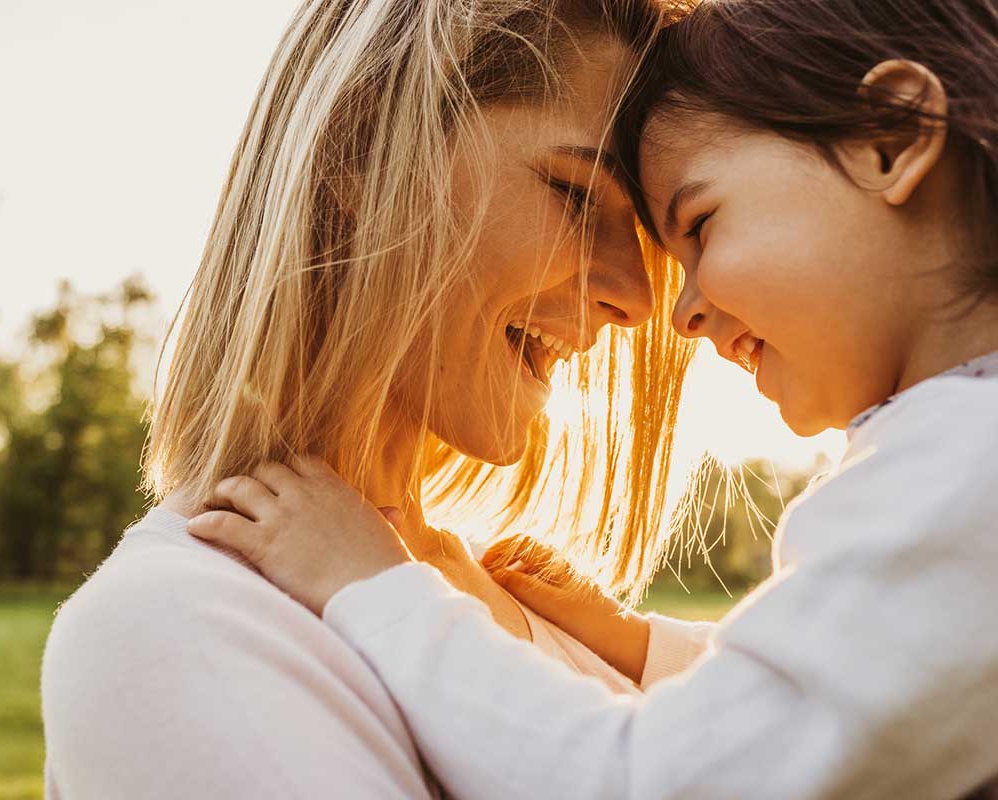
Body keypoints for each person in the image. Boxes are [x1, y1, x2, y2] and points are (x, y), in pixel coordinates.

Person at [187, 1, 998, 798]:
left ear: (891, 140)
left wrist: (375, 589)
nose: (669, 311)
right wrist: (636, 646)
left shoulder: (953, 467)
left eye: (702, 223)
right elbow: (846, 709)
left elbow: (655, 782)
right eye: (576, 199)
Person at [40, 1, 699, 797]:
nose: (637, 296)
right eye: (576, 193)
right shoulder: (176, 629)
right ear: (363, 153)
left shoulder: (526, 616)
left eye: (650, 239)